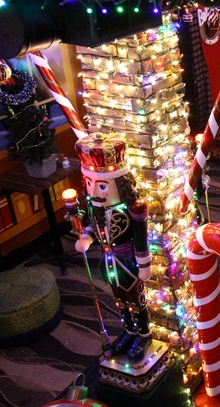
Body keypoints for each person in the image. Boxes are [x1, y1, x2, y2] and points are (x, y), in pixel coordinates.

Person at [74, 133, 152, 361]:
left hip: (128, 262)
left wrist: (144, 264)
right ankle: (129, 330)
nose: (95, 193)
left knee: (137, 300)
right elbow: (91, 227)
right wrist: (86, 238)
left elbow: (140, 239)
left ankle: (143, 333)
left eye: (102, 187)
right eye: (90, 184)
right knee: (119, 300)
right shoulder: (94, 208)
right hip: (109, 263)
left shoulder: (134, 210)